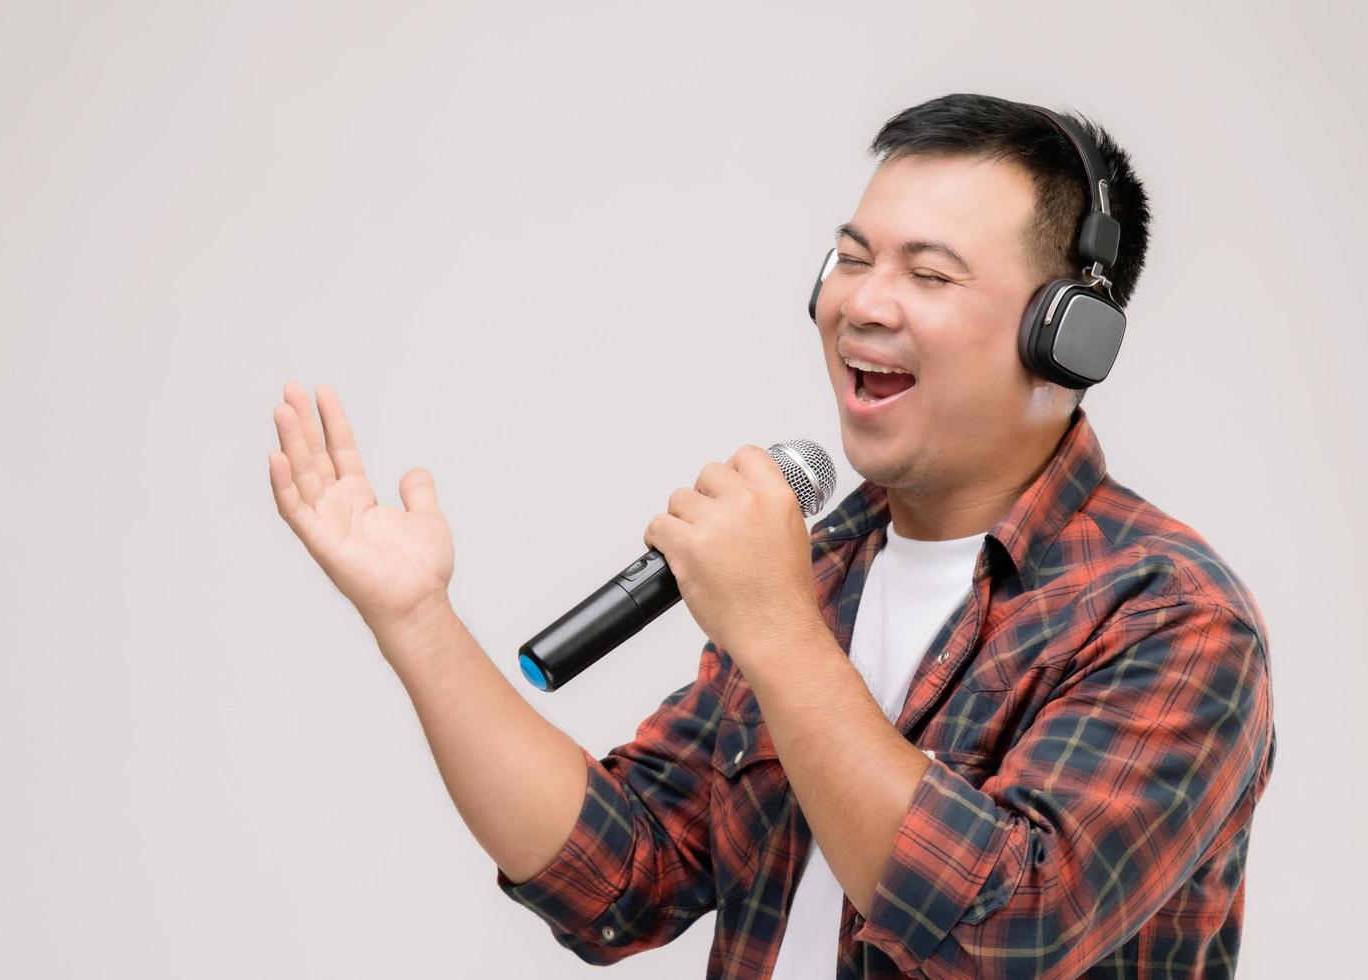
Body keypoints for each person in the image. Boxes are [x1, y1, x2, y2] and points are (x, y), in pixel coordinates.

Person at [267, 93, 1276, 978]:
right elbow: (619, 874)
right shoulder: (820, 564)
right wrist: (416, 620)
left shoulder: (1171, 616)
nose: (861, 304)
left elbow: (1000, 933)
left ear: (1068, 334)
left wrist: (779, 630)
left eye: (929, 275)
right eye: (850, 258)